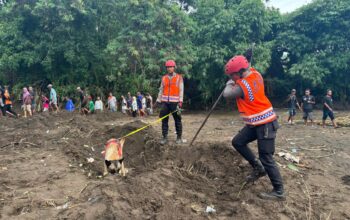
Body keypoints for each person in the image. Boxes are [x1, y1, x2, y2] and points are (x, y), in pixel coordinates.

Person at [223, 53, 285, 201]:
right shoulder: (256, 74)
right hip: (254, 123)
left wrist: (228, 83)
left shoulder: (243, 86)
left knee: (266, 157)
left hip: (265, 123)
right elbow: (247, 69)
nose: (232, 78)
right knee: (237, 142)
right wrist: (234, 78)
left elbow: (227, 94)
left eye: (232, 75)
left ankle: (279, 191)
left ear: (239, 73)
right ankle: (258, 168)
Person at [156, 60, 184, 145]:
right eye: (168, 67)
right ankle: (164, 137)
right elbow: (161, 90)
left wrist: (180, 101)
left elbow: (181, 90)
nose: (169, 68)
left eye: (171, 67)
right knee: (164, 120)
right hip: (165, 102)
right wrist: (158, 100)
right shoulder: (164, 78)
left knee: (177, 120)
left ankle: (179, 137)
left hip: (175, 103)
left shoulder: (179, 77)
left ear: (174, 67)